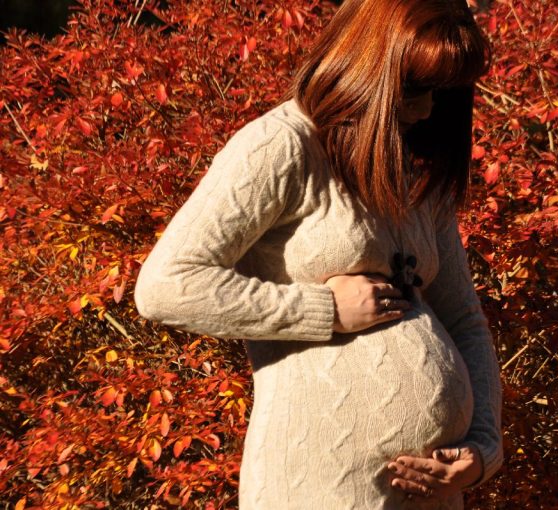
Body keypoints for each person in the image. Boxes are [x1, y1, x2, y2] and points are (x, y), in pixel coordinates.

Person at [134, 0, 502, 508]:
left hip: (431, 495)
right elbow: (166, 286)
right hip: (320, 483)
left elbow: (464, 320)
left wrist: (482, 449)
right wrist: (324, 310)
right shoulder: (280, 146)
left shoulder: (417, 170)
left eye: (447, 91)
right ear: (367, 64)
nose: (428, 109)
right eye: (415, 89)